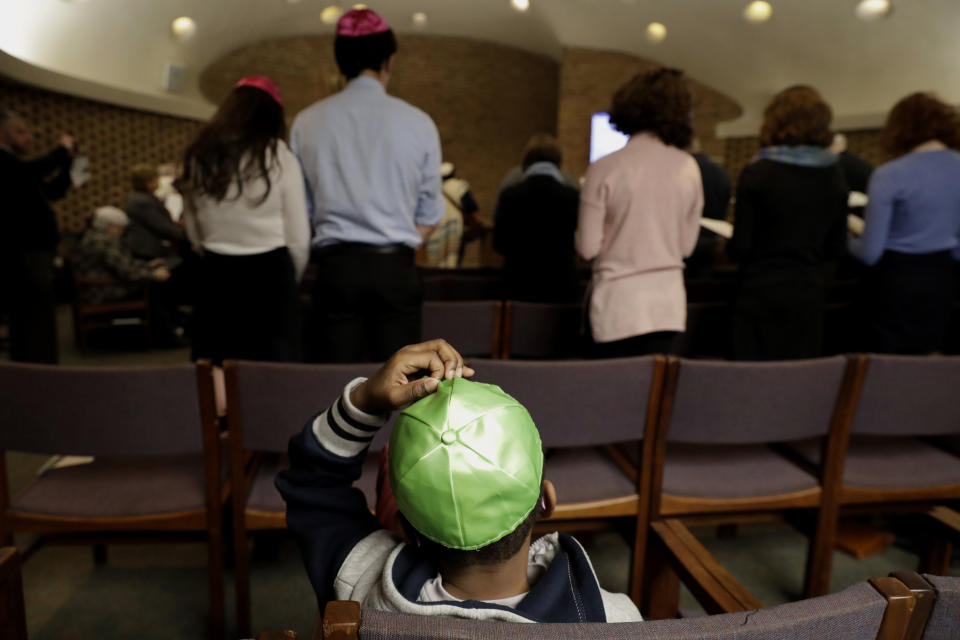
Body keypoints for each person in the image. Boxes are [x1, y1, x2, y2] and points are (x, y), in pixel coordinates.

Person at [276, 339, 642, 622]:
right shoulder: (614, 619)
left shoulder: (358, 580)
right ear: (546, 500)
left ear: (408, 530)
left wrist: (365, 401)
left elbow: (313, 484)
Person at [291, 8, 444, 363]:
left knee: (335, 389)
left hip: (335, 270)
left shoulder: (306, 121)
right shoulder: (419, 122)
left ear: (340, 62)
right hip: (395, 269)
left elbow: (304, 210)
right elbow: (431, 212)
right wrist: (396, 238)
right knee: (403, 390)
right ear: (389, 60)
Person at [179, 76, 311, 363]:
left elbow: (193, 233)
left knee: (216, 369)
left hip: (216, 272)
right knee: (274, 372)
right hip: (271, 275)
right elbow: (299, 238)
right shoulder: (278, 155)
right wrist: (290, 279)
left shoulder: (199, 156)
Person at [576, 68, 703, 358]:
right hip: (668, 306)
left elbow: (587, 248)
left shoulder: (605, 167)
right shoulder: (689, 167)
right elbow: (686, 246)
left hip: (618, 307)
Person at [728, 86, 848, 361]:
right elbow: (836, 248)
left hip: (760, 294)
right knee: (796, 385)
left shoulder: (758, 173)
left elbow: (740, 249)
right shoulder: (834, 175)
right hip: (808, 295)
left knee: (750, 382)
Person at [848, 92, 960, 354]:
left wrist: (843, 239)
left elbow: (870, 253)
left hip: (896, 282)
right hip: (942, 278)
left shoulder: (890, 175)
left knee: (888, 367)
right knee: (926, 361)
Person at [0, 107, 75, 363]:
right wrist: (60, 151)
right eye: (20, 132)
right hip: (23, 250)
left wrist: (66, 165)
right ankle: (38, 371)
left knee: (37, 314)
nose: (28, 138)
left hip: (36, 251)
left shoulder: (18, 168)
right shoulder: (6, 163)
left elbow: (52, 190)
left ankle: (37, 368)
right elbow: (30, 172)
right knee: (33, 315)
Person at [494, 134, 580, 303]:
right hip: (562, 287)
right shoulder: (573, 197)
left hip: (518, 286)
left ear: (525, 162)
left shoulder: (510, 196)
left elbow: (499, 244)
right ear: (559, 163)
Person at [74, 206, 170, 305]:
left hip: (96, 288)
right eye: (120, 228)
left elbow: (122, 263)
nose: (122, 232)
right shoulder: (105, 241)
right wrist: (152, 274)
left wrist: (147, 265)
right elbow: (125, 271)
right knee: (157, 284)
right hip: (103, 291)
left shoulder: (93, 235)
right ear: (109, 226)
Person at [685, 148, 732, 279]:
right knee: (704, 277)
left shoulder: (686, 172)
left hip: (688, 233)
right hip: (712, 235)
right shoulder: (720, 173)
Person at [124, 164, 187, 262]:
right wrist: (187, 235)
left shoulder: (144, 197)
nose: (158, 181)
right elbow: (161, 227)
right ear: (148, 183)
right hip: (148, 250)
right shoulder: (142, 201)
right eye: (156, 179)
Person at [418, 162, 469, 269]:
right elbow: (471, 206)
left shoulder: (432, 190)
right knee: (452, 258)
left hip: (437, 227)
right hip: (456, 227)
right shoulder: (460, 186)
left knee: (437, 262)